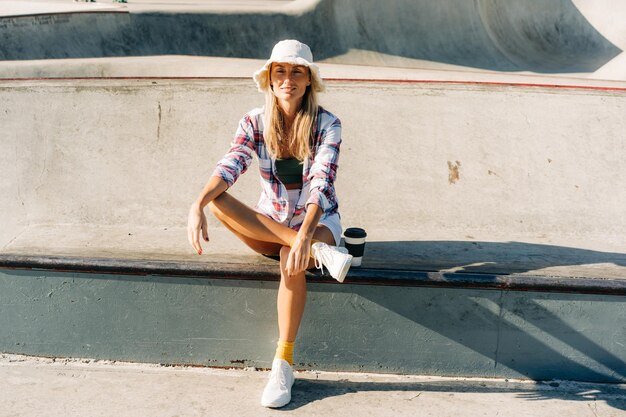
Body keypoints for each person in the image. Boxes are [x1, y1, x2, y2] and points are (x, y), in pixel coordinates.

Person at [187, 39, 353, 408]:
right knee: (217, 202)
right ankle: (316, 251)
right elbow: (232, 163)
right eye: (281, 71)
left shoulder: (328, 124)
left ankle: (284, 362)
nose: (288, 79)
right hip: (272, 223)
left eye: (297, 72)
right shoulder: (254, 121)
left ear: (309, 80)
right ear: (270, 78)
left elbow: (322, 182)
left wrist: (306, 235)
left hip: (319, 222)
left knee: (288, 256)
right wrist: (197, 203)